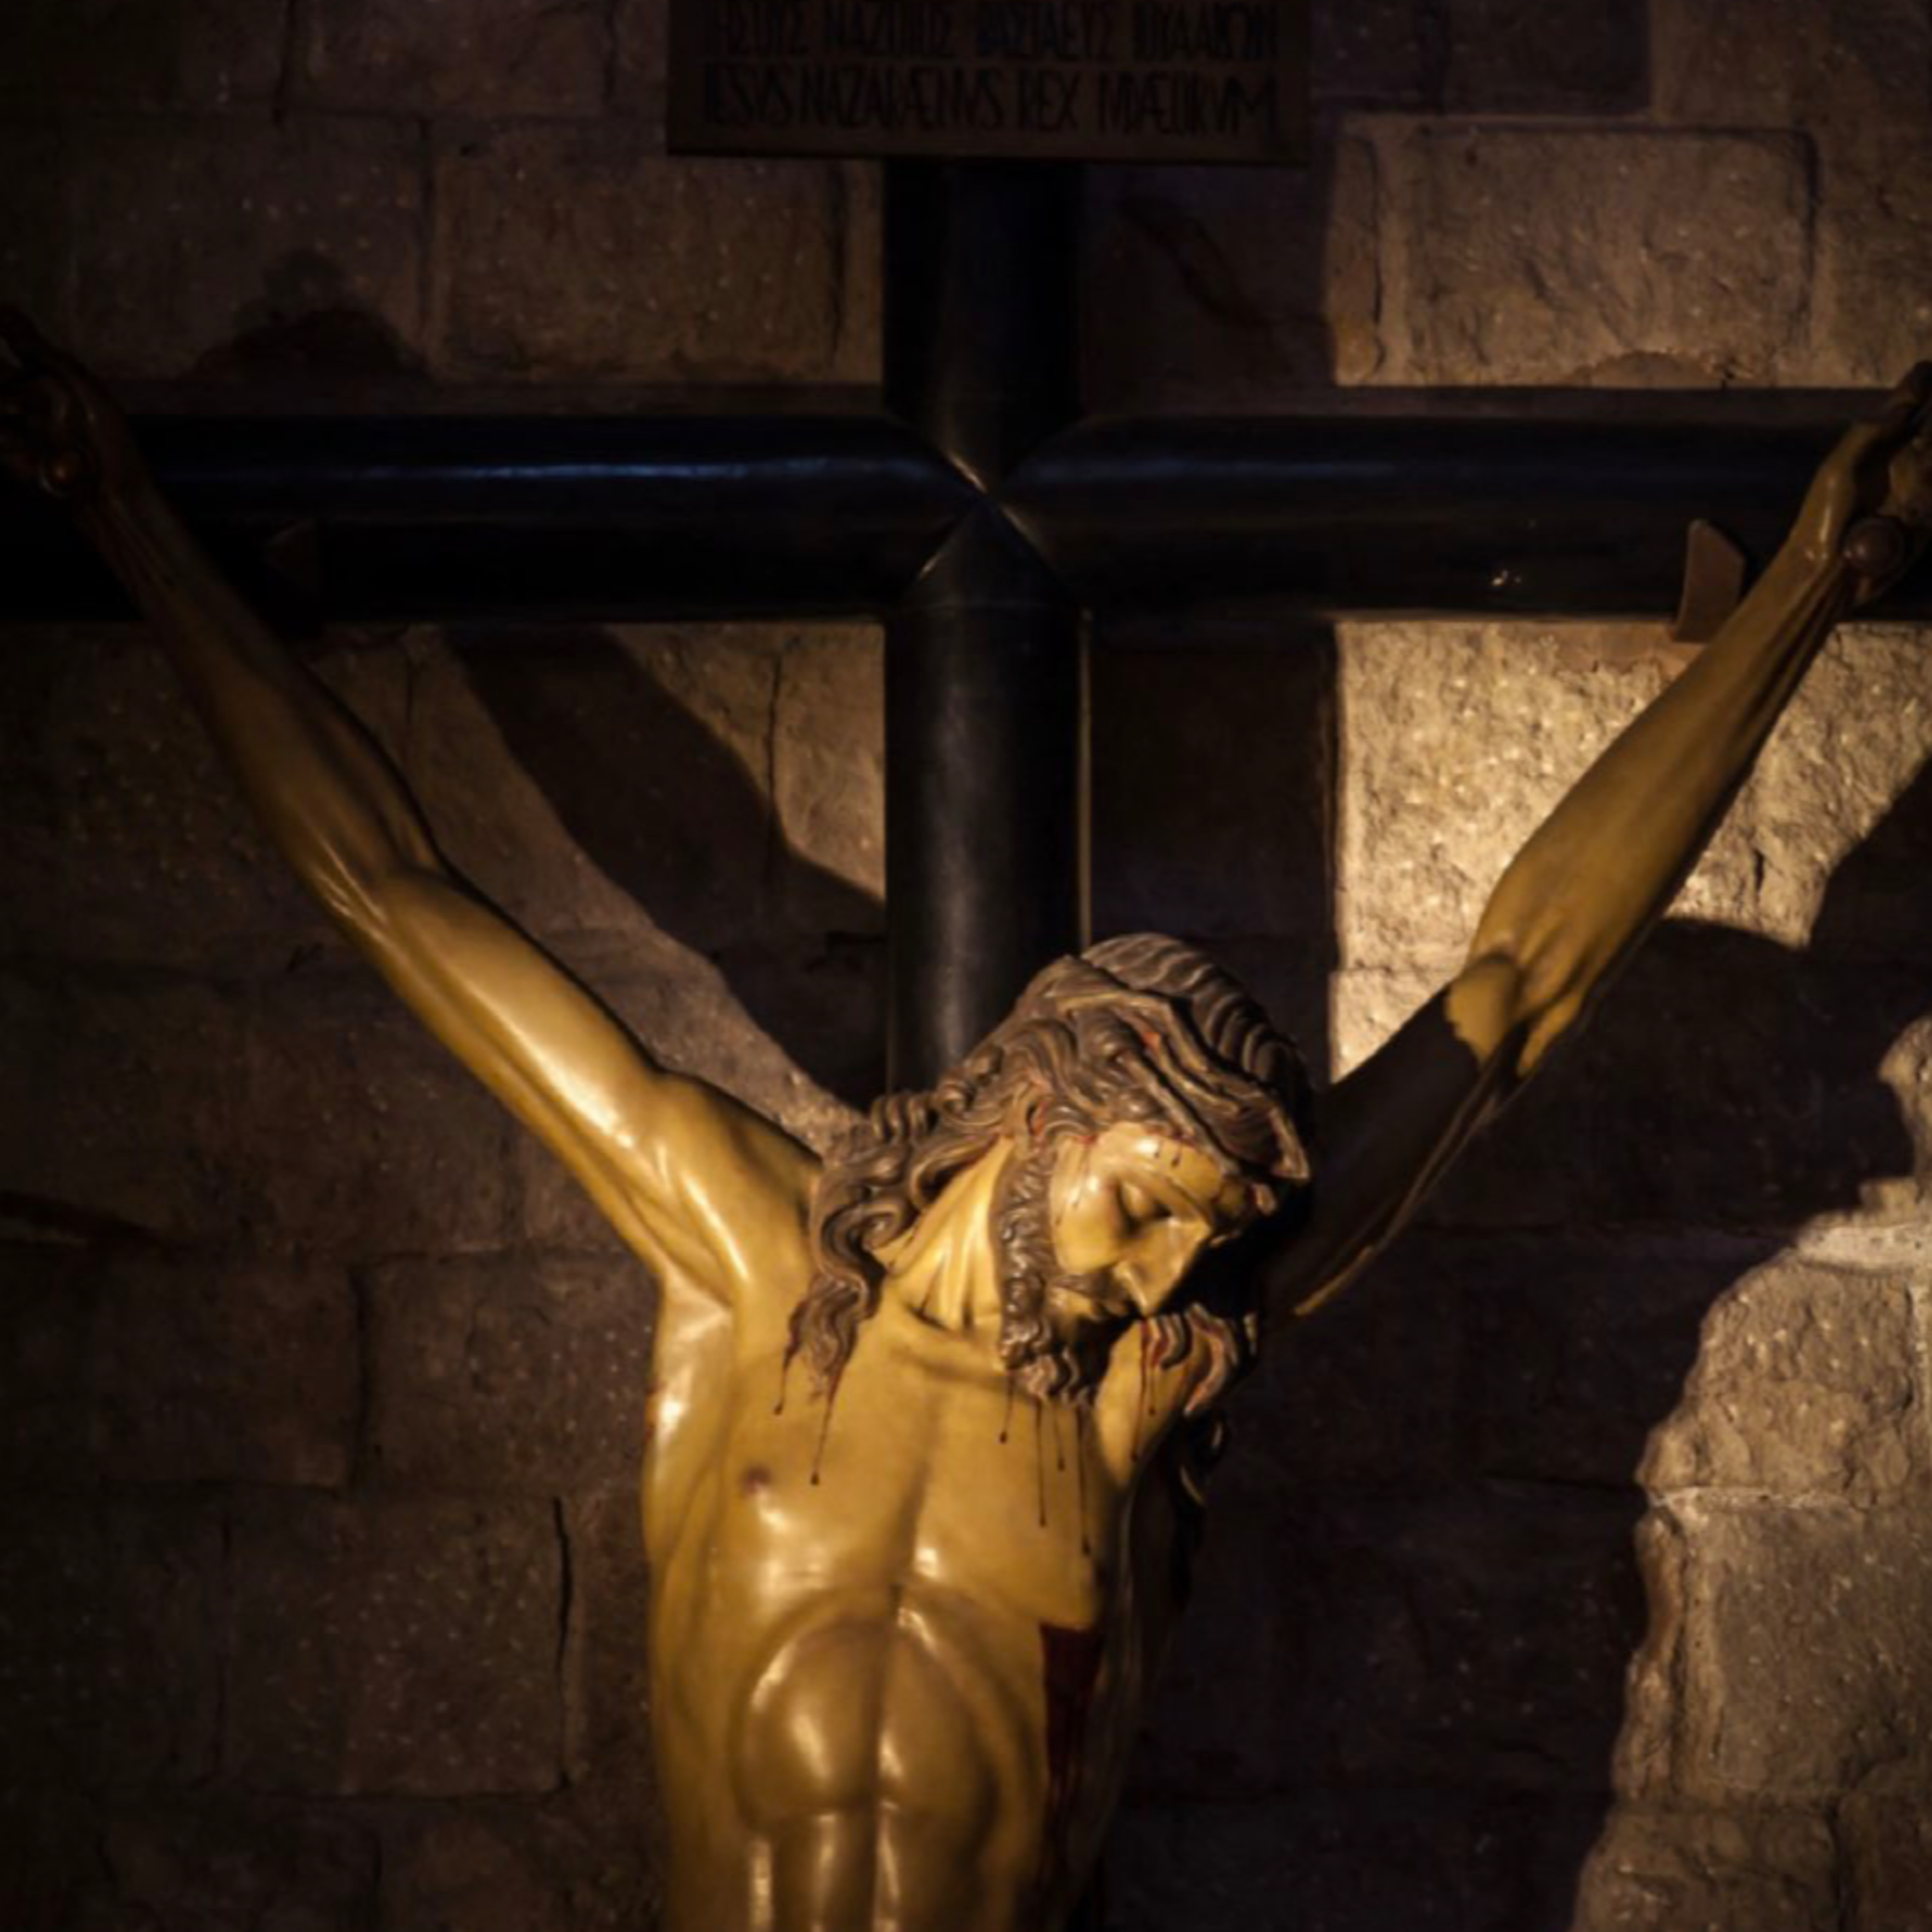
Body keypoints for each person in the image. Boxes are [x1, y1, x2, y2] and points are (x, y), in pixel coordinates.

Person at [3, 312, 1928, 1932]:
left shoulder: (1158, 1369)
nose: (1183, 1268)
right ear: (1050, 1105)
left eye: (1201, 1240)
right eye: (1154, 1209)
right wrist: (125, 517)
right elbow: (393, 891)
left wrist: (1811, 594)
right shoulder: (740, 1247)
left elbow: (1529, 981)